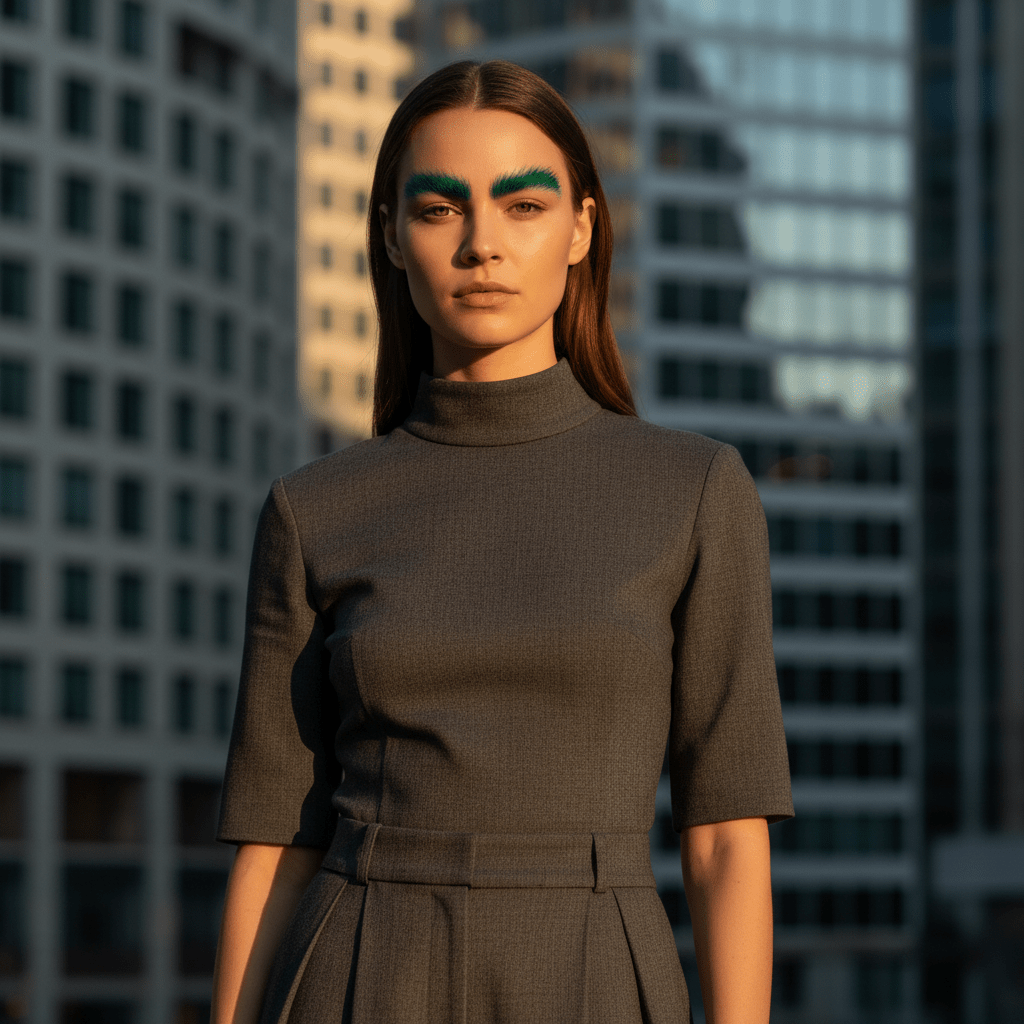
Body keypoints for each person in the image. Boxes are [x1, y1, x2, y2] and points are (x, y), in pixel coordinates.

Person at [211, 59, 793, 1024]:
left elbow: (727, 835)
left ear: (581, 229)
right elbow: (277, 840)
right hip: (361, 972)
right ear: (391, 238)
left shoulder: (695, 491)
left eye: (522, 206)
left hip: (599, 972)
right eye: (440, 209)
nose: (482, 244)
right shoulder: (313, 511)